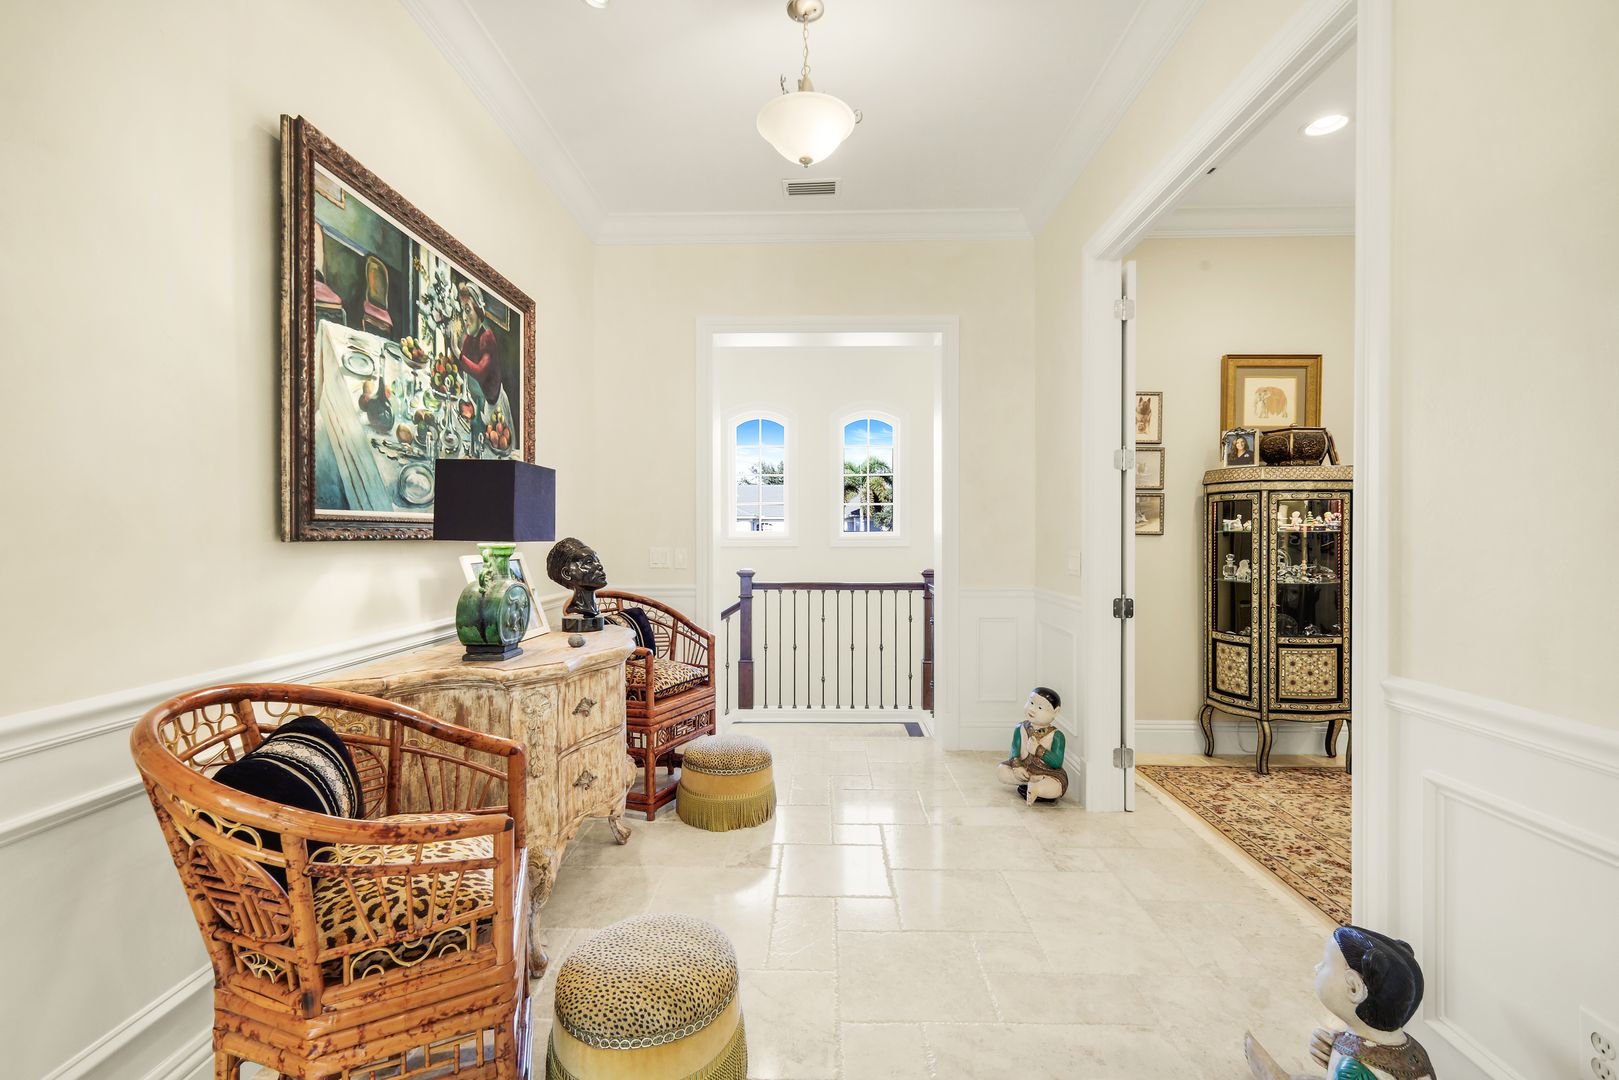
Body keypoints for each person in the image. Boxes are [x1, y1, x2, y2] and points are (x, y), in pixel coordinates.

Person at [1245, 926, 1436, 1080]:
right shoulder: (1415, 1050)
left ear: (1353, 988)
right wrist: (1332, 1053)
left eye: (1325, 963)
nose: (1317, 967)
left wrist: (1338, 1063)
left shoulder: (1351, 1070)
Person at [453, 281, 509, 438]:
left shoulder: (487, 338)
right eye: (462, 311)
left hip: (495, 406)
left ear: (478, 312)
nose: (464, 317)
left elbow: (480, 372)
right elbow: (463, 366)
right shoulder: (468, 339)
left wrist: (457, 352)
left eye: (468, 310)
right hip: (481, 402)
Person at [996, 687, 1068, 805]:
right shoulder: (1020, 728)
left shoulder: (1057, 736)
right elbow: (1014, 751)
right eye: (1031, 702)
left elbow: (1057, 762)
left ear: (1055, 712)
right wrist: (1017, 766)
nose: (1032, 709)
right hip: (1024, 769)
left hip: (1047, 774)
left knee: (1057, 786)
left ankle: (1037, 789)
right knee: (1001, 771)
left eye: (1040, 708)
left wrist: (1038, 750)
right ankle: (1030, 783)